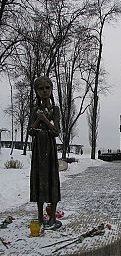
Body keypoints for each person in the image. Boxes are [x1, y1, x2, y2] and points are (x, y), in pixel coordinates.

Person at [29, 76, 61, 228]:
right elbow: (31, 131)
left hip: (50, 147)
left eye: (47, 88)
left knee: (52, 179)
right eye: (41, 88)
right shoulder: (34, 110)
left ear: (51, 89)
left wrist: (45, 120)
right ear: (37, 91)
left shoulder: (55, 109)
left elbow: (56, 131)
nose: (44, 91)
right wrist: (38, 119)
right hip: (38, 149)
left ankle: (52, 217)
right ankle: (40, 216)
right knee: (39, 179)